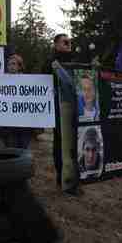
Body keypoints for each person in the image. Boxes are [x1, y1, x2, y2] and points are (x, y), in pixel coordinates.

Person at [42, 33, 78, 192]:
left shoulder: (75, 61)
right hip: (58, 109)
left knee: (75, 141)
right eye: (65, 42)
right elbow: (42, 83)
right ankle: (62, 177)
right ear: (56, 44)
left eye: (70, 42)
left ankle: (75, 176)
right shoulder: (49, 62)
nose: (68, 44)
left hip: (76, 107)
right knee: (61, 142)